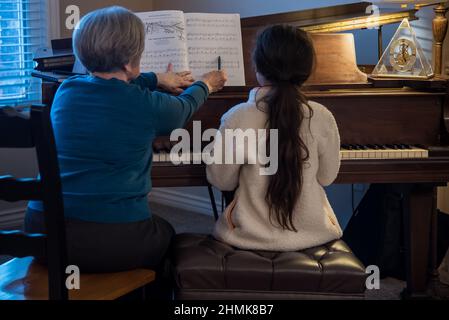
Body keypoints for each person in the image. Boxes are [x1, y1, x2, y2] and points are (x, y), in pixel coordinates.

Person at [24, 6, 227, 273]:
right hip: (108, 240)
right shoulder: (145, 105)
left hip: (43, 232)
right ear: (131, 63)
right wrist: (207, 84)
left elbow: (112, 87)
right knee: (166, 233)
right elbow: (185, 107)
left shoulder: (66, 90)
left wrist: (156, 79)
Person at [206, 25, 342, 251]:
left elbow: (222, 181)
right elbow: (327, 177)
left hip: (249, 236)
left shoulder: (238, 116)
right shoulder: (322, 116)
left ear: (258, 66)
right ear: (306, 69)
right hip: (314, 234)